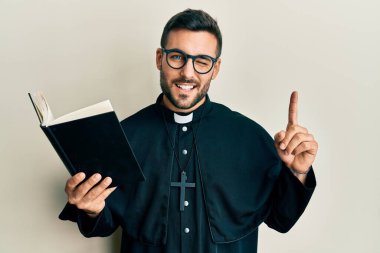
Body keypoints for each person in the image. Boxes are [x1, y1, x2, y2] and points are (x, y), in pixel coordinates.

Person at [59, 9, 318, 253]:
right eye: (176, 57)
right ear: (160, 58)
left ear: (215, 69)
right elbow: (104, 222)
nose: (187, 72)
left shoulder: (250, 137)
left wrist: (297, 172)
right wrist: (91, 210)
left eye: (202, 61)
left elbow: (281, 220)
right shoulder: (124, 136)